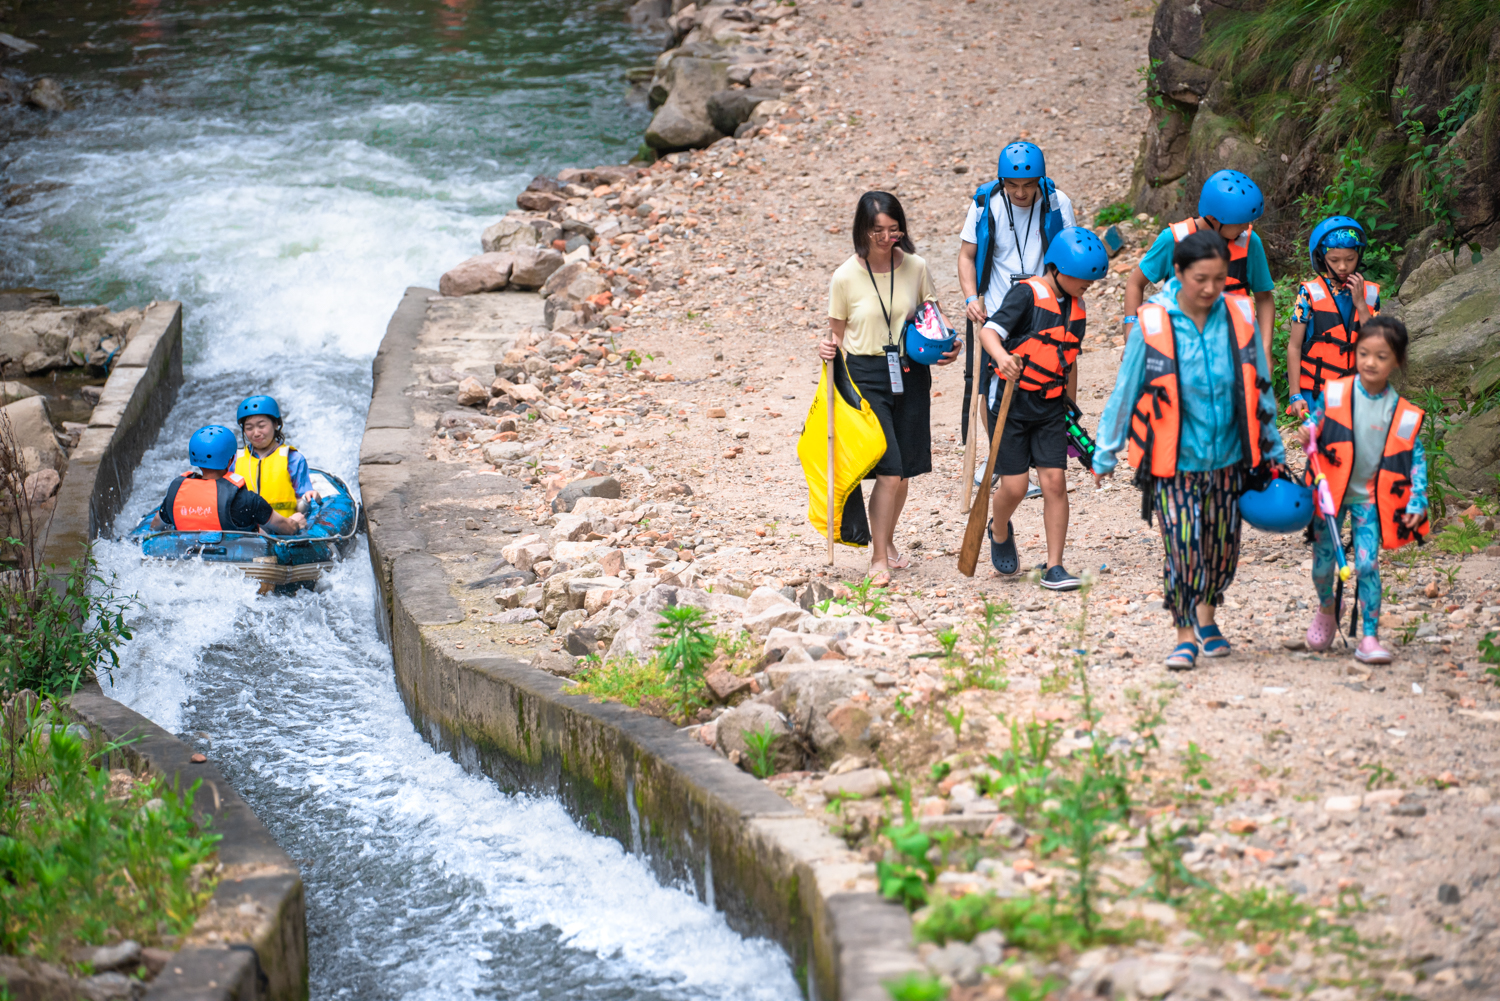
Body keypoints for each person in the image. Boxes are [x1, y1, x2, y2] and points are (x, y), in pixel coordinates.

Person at [1093, 230, 1284, 670]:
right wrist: (1106, 451)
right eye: (1201, 278)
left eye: (1219, 278)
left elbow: (1259, 387)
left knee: (1221, 550)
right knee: (1182, 545)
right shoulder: (1154, 321)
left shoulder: (1238, 315)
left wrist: (1273, 449)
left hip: (1231, 457)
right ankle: (1184, 633)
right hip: (1173, 458)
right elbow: (1126, 389)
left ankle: (1208, 615)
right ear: (1178, 273)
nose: (1212, 288)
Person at [820, 190, 959, 584]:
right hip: (865, 377)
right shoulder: (845, 276)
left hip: (911, 371)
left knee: (905, 470)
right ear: (862, 230)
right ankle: (878, 558)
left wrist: (951, 344)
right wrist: (824, 349)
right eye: (877, 230)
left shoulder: (915, 267)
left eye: (893, 230)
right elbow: (836, 337)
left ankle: (887, 539)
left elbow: (934, 316)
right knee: (890, 469)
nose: (885, 238)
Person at [979, 227, 1107, 591]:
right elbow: (990, 332)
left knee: (1055, 483)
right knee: (1016, 487)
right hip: (1010, 403)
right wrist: (1002, 359)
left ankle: (1054, 566)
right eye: (1083, 278)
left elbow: (1067, 360)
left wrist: (1070, 408)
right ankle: (998, 528)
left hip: (1050, 407)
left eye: (1092, 280)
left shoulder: (1077, 310)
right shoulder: (1026, 295)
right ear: (1058, 269)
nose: (1088, 286)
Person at [1295, 316, 1427, 665]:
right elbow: (1316, 422)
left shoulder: (1402, 413)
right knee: (1323, 568)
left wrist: (1417, 499)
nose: (1370, 362)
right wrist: (1308, 430)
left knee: (1368, 565)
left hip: (1370, 498)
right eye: (1364, 353)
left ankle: (1369, 636)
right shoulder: (1336, 392)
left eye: (1381, 356)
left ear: (1397, 361)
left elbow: (1416, 458)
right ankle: (1327, 608)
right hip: (1331, 495)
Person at [956, 141, 1076, 468]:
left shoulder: (1056, 202)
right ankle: (999, 455)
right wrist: (970, 298)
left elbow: (1070, 255)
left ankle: (1056, 440)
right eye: (1012, 185)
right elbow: (966, 257)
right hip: (997, 307)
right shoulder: (985, 204)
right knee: (987, 381)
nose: (1020, 193)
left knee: (1054, 370)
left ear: (1039, 180)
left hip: (1043, 309)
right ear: (1001, 182)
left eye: (1027, 185)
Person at [1122, 170, 1275, 367]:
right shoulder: (1172, 240)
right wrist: (1131, 331)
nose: (1247, 227)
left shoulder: (1250, 242)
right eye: (1240, 222)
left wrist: (1264, 352)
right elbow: (1135, 283)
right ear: (1214, 219)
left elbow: (1264, 299)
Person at [1286, 216, 1381, 418]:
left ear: (1359, 256)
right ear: (1321, 258)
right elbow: (1294, 346)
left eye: (1350, 259)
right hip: (1317, 394)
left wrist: (1361, 305)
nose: (1343, 267)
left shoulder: (1370, 294)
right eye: (1334, 260)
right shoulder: (1308, 294)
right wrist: (1295, 394)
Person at [152, 425, 307, 535]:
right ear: (231, 459)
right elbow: (284, 528)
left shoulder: (176, 493)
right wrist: (295, 523)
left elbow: (155, 526)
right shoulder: (246, 499)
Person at [234, 394, 316, 517]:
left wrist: (308, 497)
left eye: (262, 426)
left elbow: (305, 497)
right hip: (247, 531)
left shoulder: (293, 459)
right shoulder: (235, 460)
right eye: (249, 428)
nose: (256, 433)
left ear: (276, 424)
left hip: (286, 529)